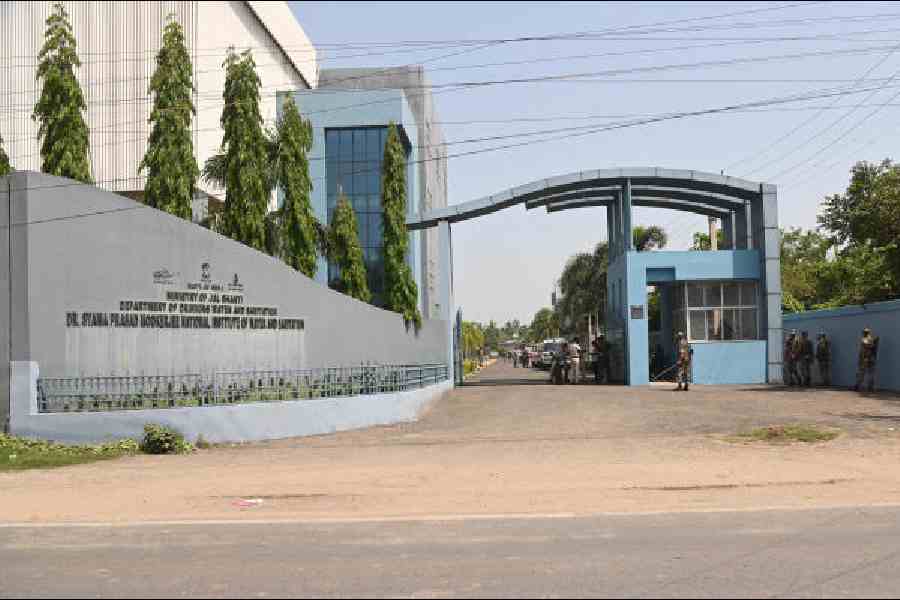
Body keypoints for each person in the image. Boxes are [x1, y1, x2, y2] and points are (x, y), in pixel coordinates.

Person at [855, 327, 879, 392]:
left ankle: (859, 386)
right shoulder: (871, 339)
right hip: (871, 358)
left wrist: (865, 357)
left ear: (866, 333)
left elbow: (866, 347)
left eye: (864, 332)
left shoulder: (866, 339)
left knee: (861, 372)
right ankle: (871, 387)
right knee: (871, 373)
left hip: (866, 358)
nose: (864, 333)